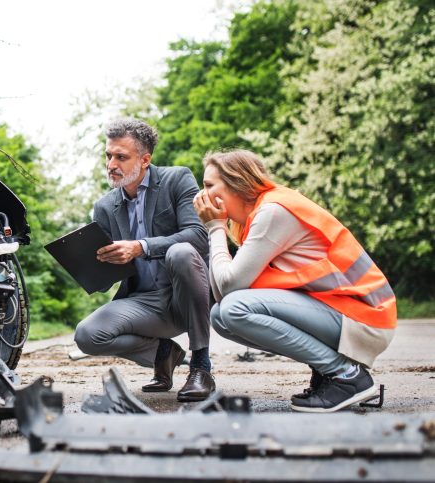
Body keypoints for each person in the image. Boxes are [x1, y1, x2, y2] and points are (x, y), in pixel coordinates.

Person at [193, 149, 396, 412]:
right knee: (221, 316)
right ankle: (328, 371)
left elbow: (230, 287)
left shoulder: (273, 212)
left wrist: (216, 227)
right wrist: (219, 226)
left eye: (209, 185)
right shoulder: (258, 215)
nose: (201, 195)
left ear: (236, 184)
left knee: (234, 310)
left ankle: (346, 376)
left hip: (365, 318)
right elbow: (223, 291)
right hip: (343, 312)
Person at [74, 118, 214, 402]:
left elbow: (199, 237)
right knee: (87, 335)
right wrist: (88, 267)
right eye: (108, 156)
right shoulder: (104, 207)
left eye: (121, 157)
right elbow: (107, 277)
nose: (112, 164)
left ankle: (201, 366)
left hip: (185, 294)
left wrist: (140, 247)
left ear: (145, 159)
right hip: (144, 302)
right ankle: (164, 353)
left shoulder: (177, 179)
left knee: (182, 251)